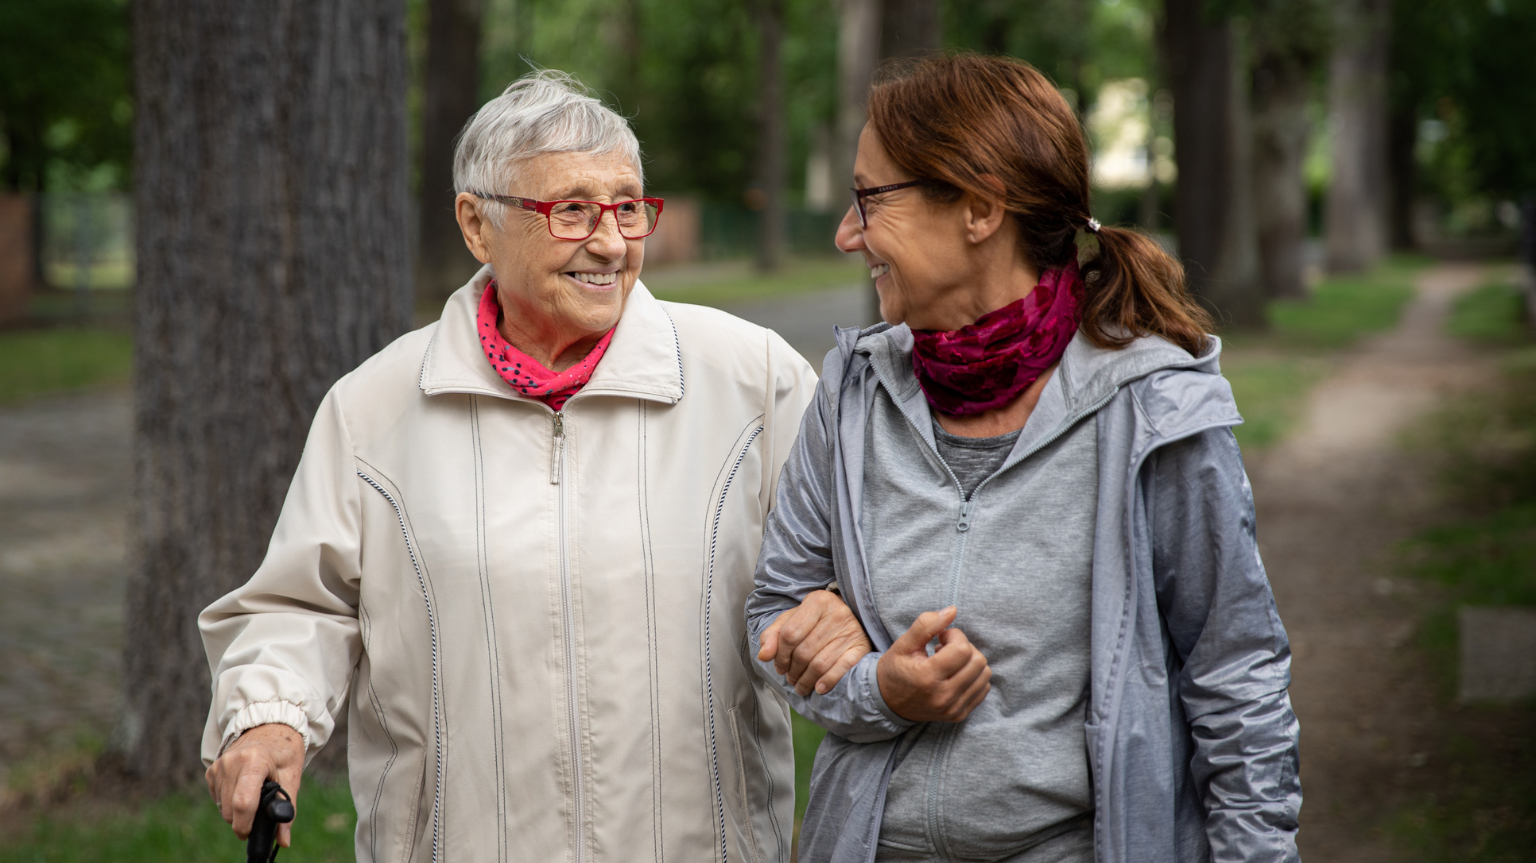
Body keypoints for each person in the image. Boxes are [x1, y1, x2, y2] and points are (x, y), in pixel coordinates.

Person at [201, 70, 816, 863]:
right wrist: (268, 714)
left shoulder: (752, 380)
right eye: (571, 210)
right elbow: (300, 605)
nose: (610, 241)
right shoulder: (376, 407)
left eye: (627, 207)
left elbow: (839, 571)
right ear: (476, 224)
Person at [746, 55, 1301, 863]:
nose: (844, 233)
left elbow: (1237, 677)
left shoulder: (1154, 409)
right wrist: (882, 691)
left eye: (869, 198)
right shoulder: (853, 392)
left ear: (978, 207)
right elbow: (774, 613)